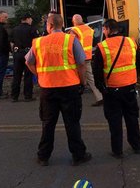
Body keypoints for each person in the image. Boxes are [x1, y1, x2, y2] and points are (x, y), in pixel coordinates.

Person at [26, 14, 91, 166]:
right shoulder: (71, 40)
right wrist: (82, 82)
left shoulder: (38, 42)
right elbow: (81, 63)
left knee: (48, 124)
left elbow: (29, 62)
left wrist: (40, 75)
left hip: (48, 89)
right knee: (72, 123)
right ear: (62, 25)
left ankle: (43, 156)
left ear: (49, 26)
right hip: (69, 87)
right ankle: (78, 155)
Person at [93, 19, 140, 158]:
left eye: (103, 29)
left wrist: (101, 88)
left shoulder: (102, 47)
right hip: (130, 87)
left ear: (108, 29)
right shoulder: (131, 42)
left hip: (112, 89)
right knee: (132, 117)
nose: (103, 32)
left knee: (114, 121)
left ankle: (117, 150)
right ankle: (136, 145)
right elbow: (139, 62)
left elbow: (97, 71)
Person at [69, 14, 103, 106]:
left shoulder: (74, 30)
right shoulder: (89, 29)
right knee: (91, 78)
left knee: (73, 77)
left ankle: (73, 99)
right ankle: (100, 97)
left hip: (78, 58)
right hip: (87, 56)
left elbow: (71, 44)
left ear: (74, 22)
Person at [10, 13, 38, 102]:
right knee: (28, 75)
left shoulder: (15, 29)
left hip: (17, 53)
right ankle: (28, 96)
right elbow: (37, 41)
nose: (32, 20)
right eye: (31, 19)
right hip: (28, 53)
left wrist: (13, 52)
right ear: (27, 19)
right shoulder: (32, 29)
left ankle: (14, 96)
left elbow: (11, 42)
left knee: (16, 76)